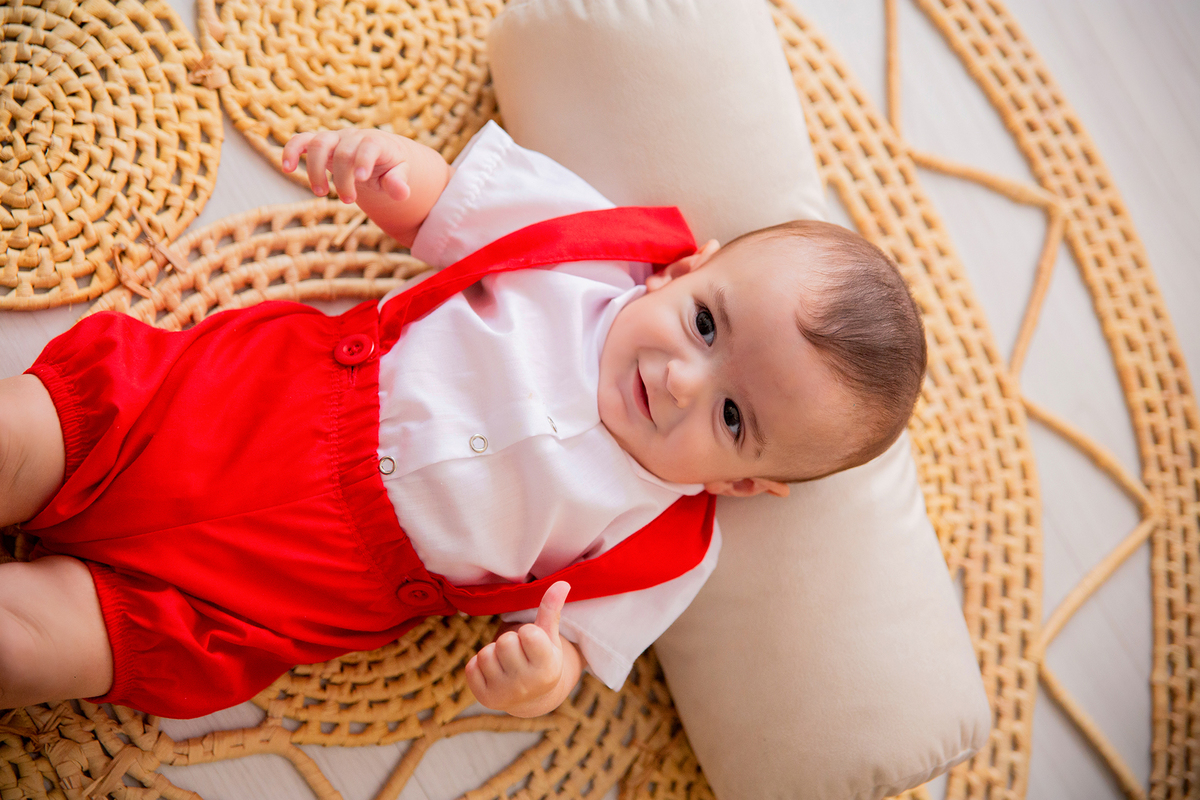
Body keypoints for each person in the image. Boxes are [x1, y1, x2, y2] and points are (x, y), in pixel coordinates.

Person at [0, 122, 925, 720]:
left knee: (38, 646)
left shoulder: (668, 547)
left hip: (277, 591)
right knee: (26, 439)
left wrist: (539, 680)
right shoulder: (592, 250)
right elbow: (446, 207)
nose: (680, 378)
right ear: (687, 270)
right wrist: (387, 173)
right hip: (240, 407)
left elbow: (569, 647)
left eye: (732, 415)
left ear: (741, 484)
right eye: (707, 323)